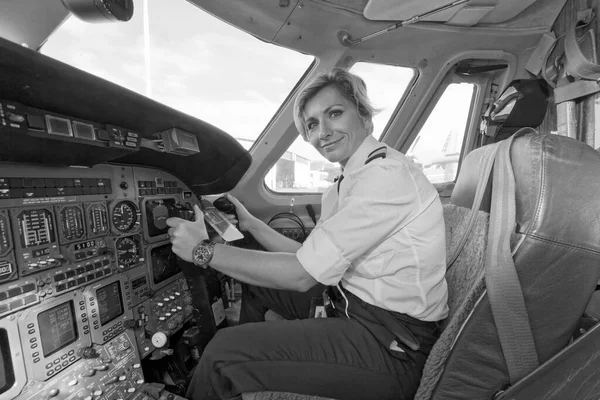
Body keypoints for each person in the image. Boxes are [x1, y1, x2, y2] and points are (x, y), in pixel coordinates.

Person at [167, 68, 448, 400]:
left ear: (364, 117)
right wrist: (252, 224)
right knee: (257, 287)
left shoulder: (385, 177)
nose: (324, 132)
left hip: (391, 346)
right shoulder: (347, 184)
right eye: (313, 124)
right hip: (349, 306)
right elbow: (309, 260)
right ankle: (244, 379)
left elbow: (300, 275)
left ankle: (224, 374)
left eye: (334, 113)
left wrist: (203, 250)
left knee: (221, 354)